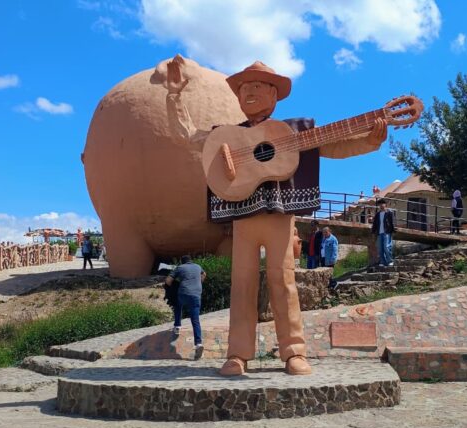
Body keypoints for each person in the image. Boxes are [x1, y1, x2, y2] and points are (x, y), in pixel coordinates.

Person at [166, 56, 387, 376]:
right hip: (243, 218)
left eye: (257, 86)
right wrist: (174, 96)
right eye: (244, 88)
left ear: (273, 94)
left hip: (280, 218)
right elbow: (187, 136)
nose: (249, 92)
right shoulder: (227, 136)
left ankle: (294, 352)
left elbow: (334, 146)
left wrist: (370, 140)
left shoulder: (292, 132)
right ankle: (237, 354)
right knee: (241, 285)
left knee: (283, 282)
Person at [166, 255, 206, 359]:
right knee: (195, 320)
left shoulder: (180, 267)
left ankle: (177, 326)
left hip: (183, 293)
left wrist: (172, 287)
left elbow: (168, 281)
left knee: (177, 304)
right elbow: (204, 274)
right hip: (196, 294)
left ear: (182, 262)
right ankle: (198, 344)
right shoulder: (198, 266)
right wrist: (199, 282)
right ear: (191, 260)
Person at [371, 199, 395, 266]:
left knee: (387, 247)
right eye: (380, 204)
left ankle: (390, 261)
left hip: (387, 232)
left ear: (385, 204)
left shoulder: (389, 213)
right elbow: (374, 224)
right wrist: (373, 232)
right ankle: (382, 262)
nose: (381, 205)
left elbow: (392, 222)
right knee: (380, 248)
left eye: (382, 204)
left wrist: (393, 231)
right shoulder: (377, 214)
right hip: (379, 233)